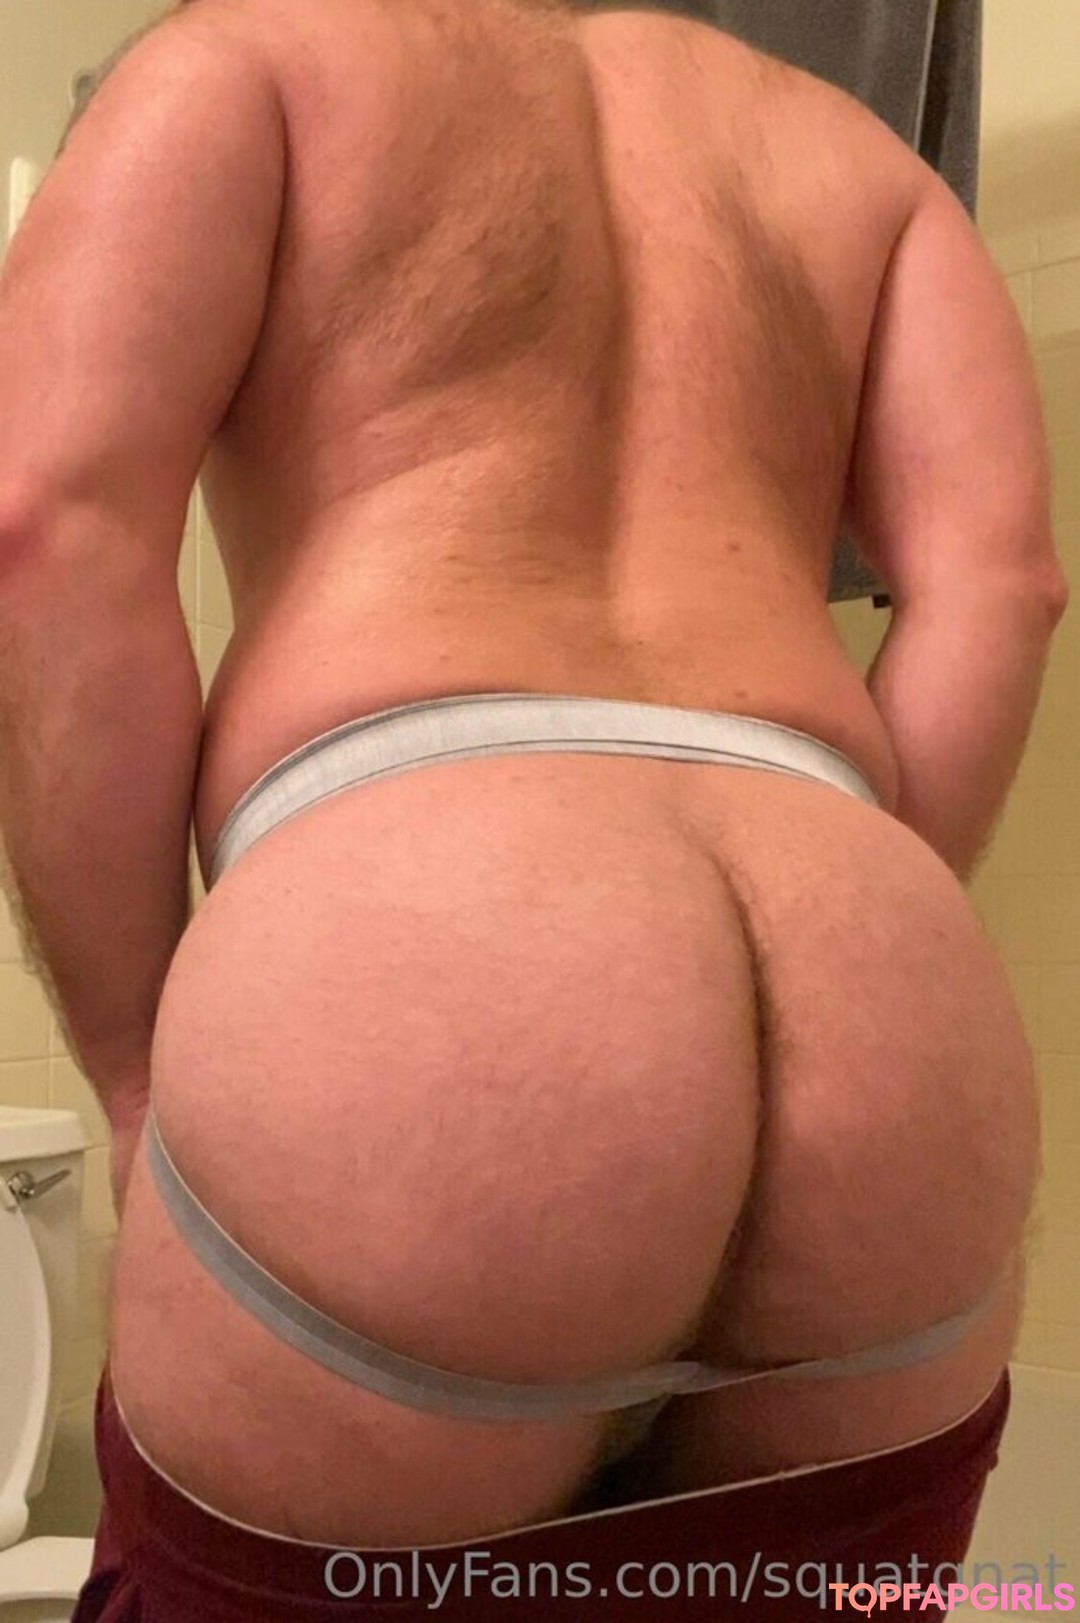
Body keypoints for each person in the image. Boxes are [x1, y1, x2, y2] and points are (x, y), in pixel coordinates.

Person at [0, 0, 1067, 1617]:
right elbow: (1003, 587)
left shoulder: (243, 61)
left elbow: (44, 526)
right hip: (884, 1017)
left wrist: (138, 1063)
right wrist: (854, 937)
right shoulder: (857, 161)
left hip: (424, 961)